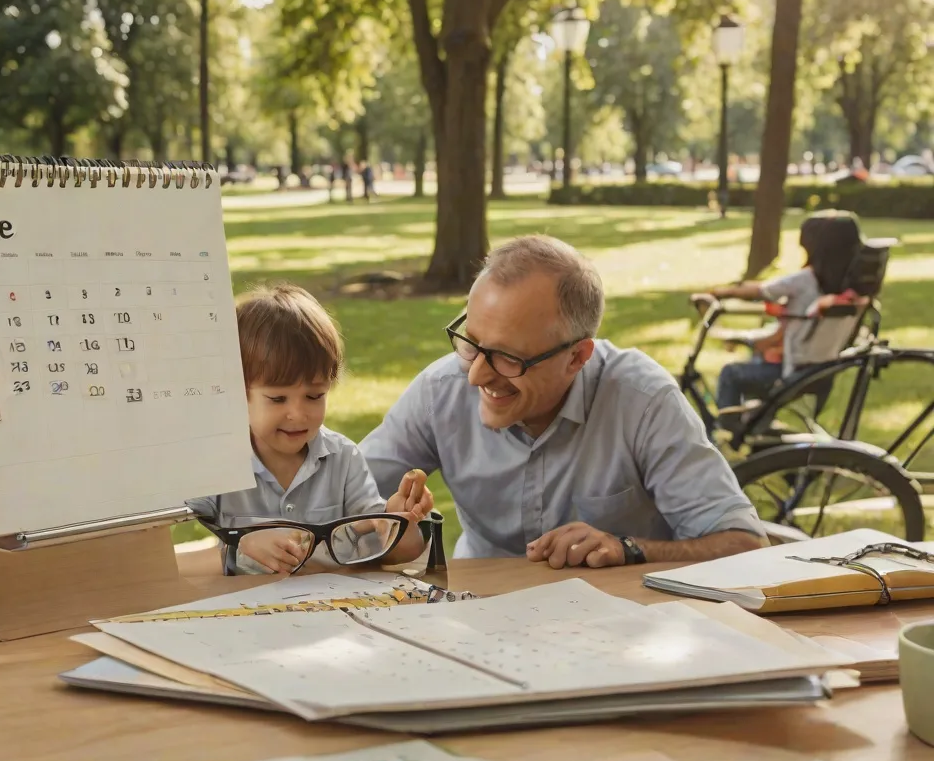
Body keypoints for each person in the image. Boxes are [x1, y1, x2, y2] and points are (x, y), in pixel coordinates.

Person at [359, 235, 766, 570]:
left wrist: (627, 548)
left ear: (577, 357)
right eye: (472, 343)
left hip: (618, 630)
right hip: (477, 613)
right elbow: (337, 501)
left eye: (507, 357)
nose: (476, 375)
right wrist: (377, 525)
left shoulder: (642, 401)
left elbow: (744, 545)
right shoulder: (439, 390)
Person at [187, 284, 432, 574]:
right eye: (278, 399)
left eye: (314, 396)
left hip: (334, 612)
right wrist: (239, 544)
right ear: (239, 394)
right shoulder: (217, 463)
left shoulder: (343, 459)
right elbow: (166, 553)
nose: (298, 414)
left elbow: (399, 554)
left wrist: (398, 520)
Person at [707, 212, 862, 414]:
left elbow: (761, 291)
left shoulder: (806, 280)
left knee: (731, 374)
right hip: (823, 371)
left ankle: (725, 430)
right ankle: (755, 422)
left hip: (791, 371)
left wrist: (719, 292)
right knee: (758, 349)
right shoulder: (854, 291)